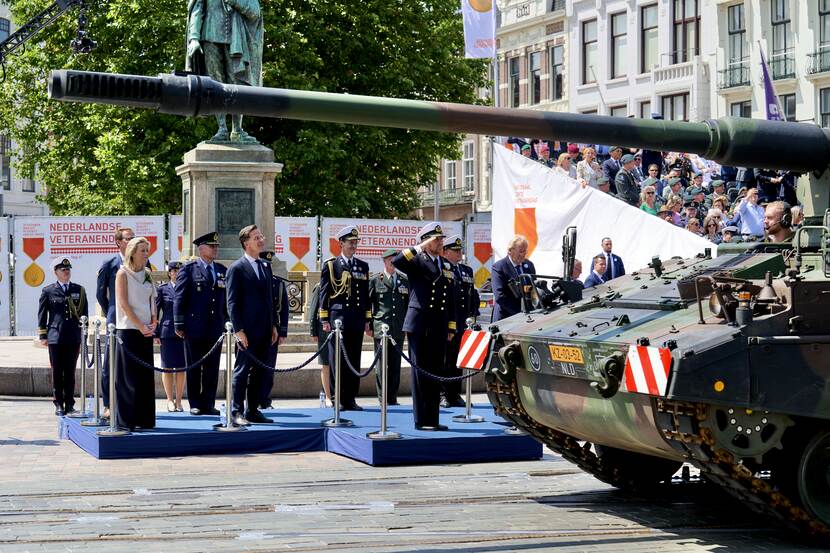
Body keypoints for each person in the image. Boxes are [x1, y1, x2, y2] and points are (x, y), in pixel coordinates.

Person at [392, 222, 456, 431]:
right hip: (420, 323)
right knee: (420, 372)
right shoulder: (417, 260)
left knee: (436, 371)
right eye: (436, 239)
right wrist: (419, 247)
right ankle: (421, 420)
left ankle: (433, 419)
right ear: (427, 241)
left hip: (439, 324)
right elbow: (397, 261)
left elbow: (451, 298)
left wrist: (451, 327)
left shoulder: (445, 265)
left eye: (441, 239)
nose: (440, 242)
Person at [185, 0, 263, 143]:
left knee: (237, 84)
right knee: (215, 84)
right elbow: (197, 9)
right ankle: (221, 129)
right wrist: (194, 37)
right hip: (209, 38)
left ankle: (237, 130)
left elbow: (254, 13)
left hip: (235, 40)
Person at [227, 225, 279, 425]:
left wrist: (273, 325)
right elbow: (231, 302)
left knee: (260, 372)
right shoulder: (237, 268)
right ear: (245, 243)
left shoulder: (265, 266)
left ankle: (253, 410)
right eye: (256, 237)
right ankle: (236, 411)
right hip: (246, 331)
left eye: (261, 236)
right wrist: (239, 330)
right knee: (242, 371)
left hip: (264, 330)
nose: (261, 240)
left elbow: (269, 300)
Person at [174, 232, 228, 416]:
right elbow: (179, 298)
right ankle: (195, 403)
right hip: (194, 327)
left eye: (216, 246)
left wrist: (227, 322)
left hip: (215, 327)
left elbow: (226, 300)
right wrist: (179, 324)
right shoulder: (189, 269)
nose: (215, 249)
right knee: (195, 367)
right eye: (211, 246)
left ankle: (208, 403)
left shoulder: (221, 270)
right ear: (201, 248)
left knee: (212, 368)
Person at [319, 225, 372, 411]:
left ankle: (350, 398)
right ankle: (336, 398)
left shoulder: (362, 266)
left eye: (355, 242)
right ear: (341, 243)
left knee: (354, 359)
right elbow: (324, 294)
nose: (353, 245)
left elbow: (366, 296)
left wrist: (367, 320)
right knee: (337, 360)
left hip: (356, 319)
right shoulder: (331, 265)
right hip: (338, 319)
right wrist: (324, 319)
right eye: (350, 242)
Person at [114, 237, 157, 431]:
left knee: (144, 377)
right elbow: (123, 303)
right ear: (132, 252)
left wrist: (154, 320)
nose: (146, 254)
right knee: (128, 378)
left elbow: (152, 299)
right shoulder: (122, 274)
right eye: (142, 250)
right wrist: (139, 325)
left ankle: (144, 418)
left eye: (147, 250)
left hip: (146, 330)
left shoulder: (147, 273)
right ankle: (126, 420)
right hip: (129, 330)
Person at [38, 258, 88, 416]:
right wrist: (43, 335)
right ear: (56, 272)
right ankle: (59, 403)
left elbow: (84, 314)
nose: (66, 272)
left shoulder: (79, 290)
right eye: (63, 270)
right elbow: (42, 314)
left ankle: (70, 404)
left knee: (71, 372)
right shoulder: (48, 291)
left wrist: (83, 334)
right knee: (58, 372)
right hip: (55, 337)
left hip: (73, 336)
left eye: (68, 269)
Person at [96, 227, 135, 416]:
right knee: (110, 363)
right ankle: (108, 404)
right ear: (118, 242)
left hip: (135, 319)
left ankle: (131, 403)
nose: (131, 241)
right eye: (128, 238)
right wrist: (111, 310)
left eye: (133, 238)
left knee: (132, 362)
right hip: (116, 319)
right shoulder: (110, 263)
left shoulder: (142, 262)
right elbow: (100, 293)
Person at [441, 234, 479, 409]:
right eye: (455, 250)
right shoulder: (441, 268)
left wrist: (473, 314)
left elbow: (472, 294)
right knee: (445, 360)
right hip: (448, 322)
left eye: (460, 250)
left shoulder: (466, 270)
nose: (459, 253)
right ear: (446, 251)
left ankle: (455, 394)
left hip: (463, 322)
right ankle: (443, 394)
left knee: (458, 360)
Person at [368, 248, 409, 406]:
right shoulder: (375, 280)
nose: (392, 263)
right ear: (384, 261)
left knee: (395, 365)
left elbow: (407, 305)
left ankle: (392, 398)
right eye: (390, 260)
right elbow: (368, 304)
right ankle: (382, 398)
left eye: (395, 260)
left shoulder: (404, 280)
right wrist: (368, 324)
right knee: (381, 366)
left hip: (398, 328)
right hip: (381, 328)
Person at [258, 250, 289, 410]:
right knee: (252, 368)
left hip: (273, 331)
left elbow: (284, 310)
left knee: (269, 367)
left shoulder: (278, 283)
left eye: (269, 265)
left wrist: (282, 331)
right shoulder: (254, 281)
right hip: (255, 329)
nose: (267, 268)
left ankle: (264, 399)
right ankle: (250, 400)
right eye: (264, 265)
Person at [155, 261, 185, 412]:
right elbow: (156, 310)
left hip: (183, 333)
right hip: (167, 331)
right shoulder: (163, 289)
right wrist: (155, 333)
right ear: (169, 273)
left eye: (179, 270)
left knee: (181, 368)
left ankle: (179, 401)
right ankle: (169, 400)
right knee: (167, 368)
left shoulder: (186, 287)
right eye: (174, 270)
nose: (177, 273)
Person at [491, 235, 536, 321]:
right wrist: (519, 313)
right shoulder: (499, 267)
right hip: (506, 317)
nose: (523, 254)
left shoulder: (529, 265)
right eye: (520, 251)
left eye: (525, 251)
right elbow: (500, 296)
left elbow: (533, 289)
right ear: (510, 251)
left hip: (527, 317)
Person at [308, 281, 332, 406]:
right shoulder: (320, 286)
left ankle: (334, 394)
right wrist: (313, 331)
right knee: (325, 364)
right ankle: (327, 396)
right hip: (324, 331)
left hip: (338, 330)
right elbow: (313, 310)